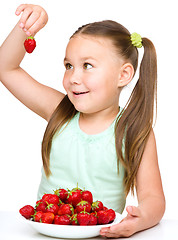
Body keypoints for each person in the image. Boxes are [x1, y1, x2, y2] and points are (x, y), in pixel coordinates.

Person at [0, 4, 165, 238]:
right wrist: (26, 27)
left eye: (87, 66)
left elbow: (154, 198)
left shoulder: (135, 131)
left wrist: (140, 219)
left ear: (123, 75)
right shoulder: (60, 111)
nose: (73, 78)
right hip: (43, 233)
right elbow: (6, 68)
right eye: (69, 66)